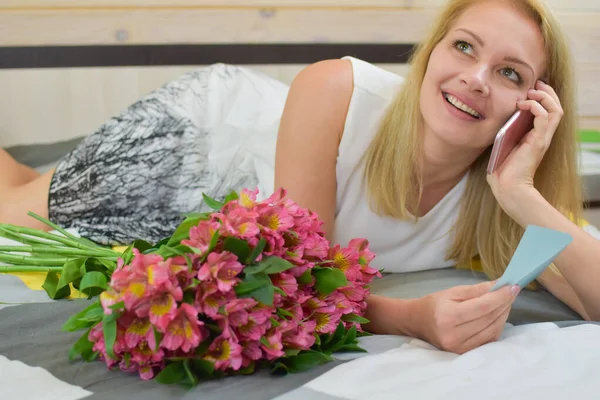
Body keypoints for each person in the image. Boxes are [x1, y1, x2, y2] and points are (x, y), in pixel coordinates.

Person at [1, 0, 599, 354]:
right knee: (12, 213)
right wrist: (413, 319)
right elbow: (303, 281)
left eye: (511, 74)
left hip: (240, 195)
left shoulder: (503, 188)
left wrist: (522, 193)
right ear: (432, 52)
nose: (475, 77)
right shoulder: (336, 86)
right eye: (464, 47)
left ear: (536, 108)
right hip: (199, 149)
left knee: (27, 185)